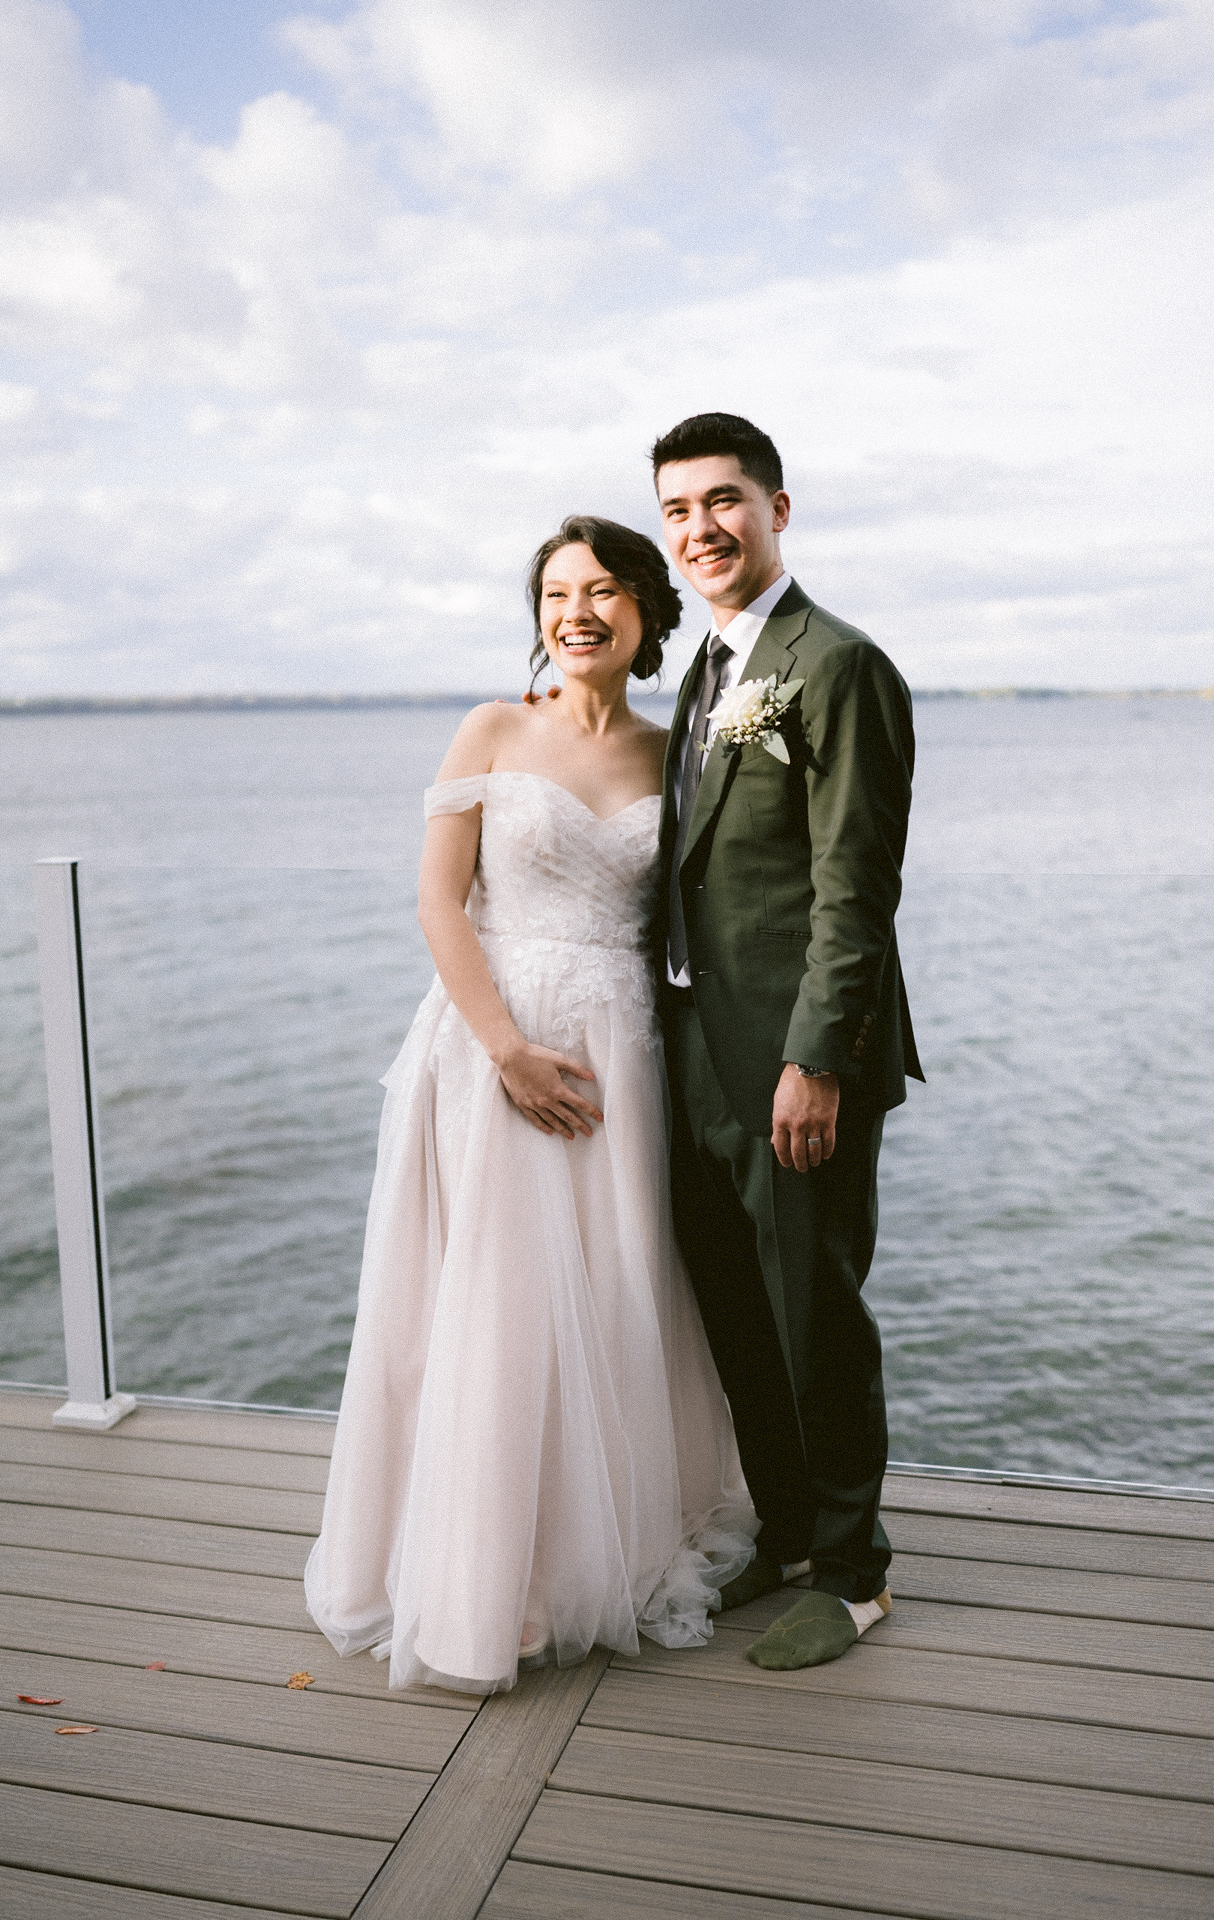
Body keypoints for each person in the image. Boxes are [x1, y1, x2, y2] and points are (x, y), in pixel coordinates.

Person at [305, 515, 756, 1695]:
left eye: (604, 588)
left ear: (647, 614)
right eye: (556, 591)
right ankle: (483, 1581)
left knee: (610, 1295)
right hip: (491, 1049)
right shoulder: (493, 729)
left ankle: (580, 1563)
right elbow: (438, 906)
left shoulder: (678, 758)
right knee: (495, 1308)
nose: (577, 610)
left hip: (621, 1054)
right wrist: (505, 1049)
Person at [652, 412, 924, 1671]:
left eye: (722, 502)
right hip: (696, 1057)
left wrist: (815, 1062)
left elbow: (853, 889)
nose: (699, 529)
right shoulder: (705, 672)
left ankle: (857, 1570)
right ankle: (789, 1532)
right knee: (734, 1311)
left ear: (775, 508)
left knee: (812, 1306)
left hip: (796, 1062)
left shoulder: (837, 663)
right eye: (676, 511)